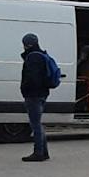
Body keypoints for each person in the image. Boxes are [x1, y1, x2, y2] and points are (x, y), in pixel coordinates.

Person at [19, 33, 59, 163]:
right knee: (38, 123)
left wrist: (25, 89)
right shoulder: (41, 54)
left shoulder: (33, 57)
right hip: (42, 93)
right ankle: (44, 152)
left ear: (27, 44)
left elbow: (32, 78)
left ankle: (38, 152)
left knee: (35, 124)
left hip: (34, 94)